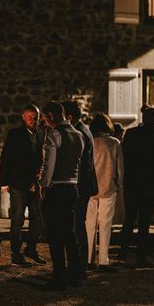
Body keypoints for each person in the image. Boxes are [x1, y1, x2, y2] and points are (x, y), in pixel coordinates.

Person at [38, 101, 84, 291]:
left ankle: (59, 277)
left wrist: (43, 185)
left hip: (57, 188)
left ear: (51, 115)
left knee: (55, 235)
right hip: (73, 187)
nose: (45, 123)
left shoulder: (55, 134)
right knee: (69, 234)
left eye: (45, 119)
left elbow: (49, 164)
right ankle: (75, 275)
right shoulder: (78, 135)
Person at [120, 106, 154, 266]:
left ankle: (122, 252)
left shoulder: (131, 134)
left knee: (129, 219)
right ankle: (141, 255)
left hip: (133, 183)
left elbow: (124, 159)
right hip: (150, 185)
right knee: (144, 222)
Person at [0, 104, 46, 267]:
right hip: (18, 183)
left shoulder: (42, 133)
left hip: (35, 184)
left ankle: (31, 249)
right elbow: (6, 158)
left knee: (38, 219)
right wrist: (4, 182)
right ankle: (16, 253)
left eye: (36, 117)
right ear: (23, 117)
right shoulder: (15, 134)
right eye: (30, 117)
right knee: (18, 219)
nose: (33, 120)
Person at [62, 100, 98, 281]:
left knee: (77, 226)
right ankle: (79, 266)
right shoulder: (84, 129)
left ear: (69, 117)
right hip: (84, 186)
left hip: (81, 187)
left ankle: (79, 267)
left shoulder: (80, 133)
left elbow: (82, 165)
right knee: (78, 225)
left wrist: (74, 188)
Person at [85, 113, 123, 272]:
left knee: (89, 225)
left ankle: (88, 258)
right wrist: (119, 184)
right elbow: (120, 168)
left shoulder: (89, 142)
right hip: (108, 186)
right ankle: (103, 260)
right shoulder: (115, 143)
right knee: (106, 225)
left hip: (91, 188)